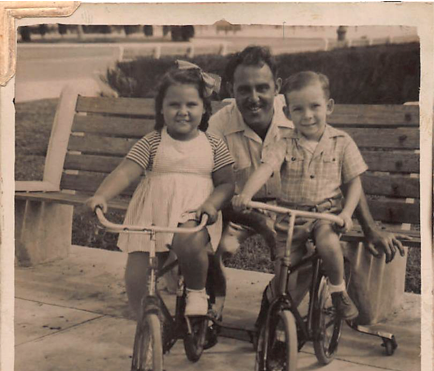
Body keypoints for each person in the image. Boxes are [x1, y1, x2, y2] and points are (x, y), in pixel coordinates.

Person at [208, 46, 405, 329]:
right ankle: (213, 309)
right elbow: (223, 185)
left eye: (262, 88)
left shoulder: (300, 112)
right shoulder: (220, 125)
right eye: (244, 89)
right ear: (231, 89)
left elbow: (347, 175)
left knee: (306, 256)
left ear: (276, 88)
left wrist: (369, 227)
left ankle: (278, 308)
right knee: (215, 245)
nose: (254, 98)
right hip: (246, 209)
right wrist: (254, 213)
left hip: (305, 209)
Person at [86, 61, 235, 318]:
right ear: (162, 109)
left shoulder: (212, 144)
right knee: (137, 269)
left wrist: (212, 204)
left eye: (191, 105)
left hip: (195, 213)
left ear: (204, 108)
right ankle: (142, 316)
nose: (182, 111)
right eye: (174, 104)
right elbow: (125, 171)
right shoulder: (153, 142)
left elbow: (227, 183)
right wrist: (101, 195)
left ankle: (197, 292)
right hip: (153, 215)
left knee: (189, 242)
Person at [233, 71, 365, 319]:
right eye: (298, 109)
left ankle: (338, 291)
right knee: (284, 269)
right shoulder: (284, 143)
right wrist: (245, 194)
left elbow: (354, 182)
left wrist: (347, 212)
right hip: (291, 219)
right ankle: (277, 314)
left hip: (326, 214)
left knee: (327, 242)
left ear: (329, 107)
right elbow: (265, 169)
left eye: (315, 107)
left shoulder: (342, 141)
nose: (307, 116)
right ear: (287, 113)